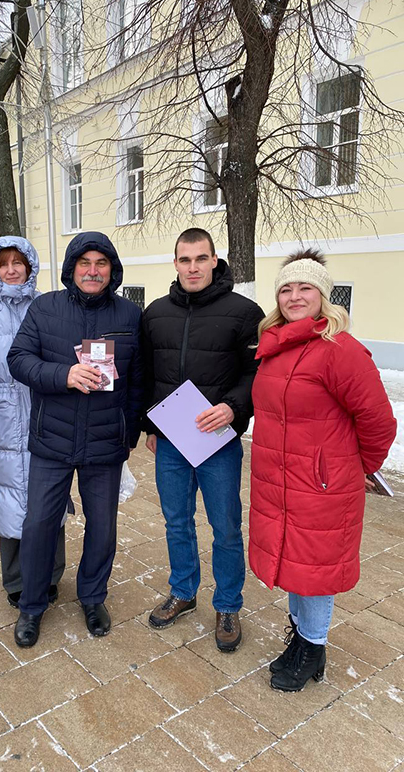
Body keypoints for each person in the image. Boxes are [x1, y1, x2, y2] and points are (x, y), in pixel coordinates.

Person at [250, 248, 396, 692]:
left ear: (323, 297)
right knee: (294, 563)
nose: (295, 296)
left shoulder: (340, 350)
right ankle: (300, 639)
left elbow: (378, 421)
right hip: (279, 480)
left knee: (313, 570)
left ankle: (312, 648)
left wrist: (357, 469)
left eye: (305, 288)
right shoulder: (275, 347)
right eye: (287, 289)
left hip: (321, 485)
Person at [7, 231, 143, 647]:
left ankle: (93, 596)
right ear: (72, 268)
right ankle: (32, 605)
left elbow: (138, 379)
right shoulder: (44, 308)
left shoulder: (130, 314)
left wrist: (130, 433)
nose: (93, 271)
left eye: (101, 263)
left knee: (102, 526)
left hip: (105, 442)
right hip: (52, 438)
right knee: (39, 524)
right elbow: (18, 359)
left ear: (112, 270)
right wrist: (63, 374)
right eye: (85, 263)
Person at [142, 228, 264, 651]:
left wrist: (233, 407)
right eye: (185, 259)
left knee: (225, 526)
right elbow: (147, 375)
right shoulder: (155, 313)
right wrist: (150, 427)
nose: (192, 267)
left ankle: (227, 604)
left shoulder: (244, 313)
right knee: (176, 520)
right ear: (175, 263)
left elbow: (258, 373)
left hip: (218, 441)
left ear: (214, 260)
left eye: (200, 258)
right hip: (171, 440)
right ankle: (183, 590)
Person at [0, 236, 65, 607]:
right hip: (3, 417)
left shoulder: (48, 305)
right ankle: (17, 580)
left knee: (49, 496)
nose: (11, 270)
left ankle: (50, 575)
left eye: (17, 262)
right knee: (7, 498)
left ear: (29, 266)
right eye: (3, 264)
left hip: (45, 412)